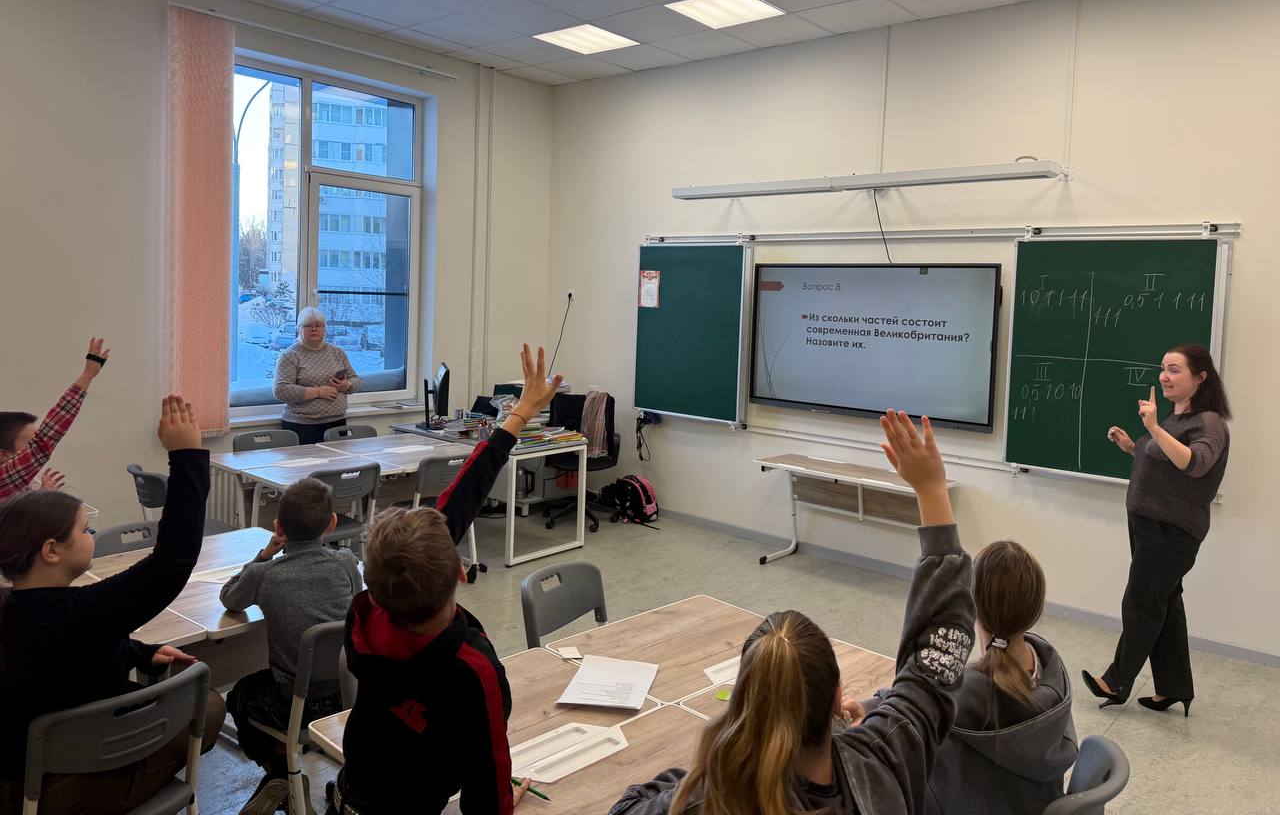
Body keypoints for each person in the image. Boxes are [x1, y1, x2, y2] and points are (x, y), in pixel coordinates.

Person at [610, 410, 975, 815]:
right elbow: (937, 657)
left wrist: (713, 769)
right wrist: (931, 489)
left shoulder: (717, 798)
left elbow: (627, 808)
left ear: (743, 708)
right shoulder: (884, 756)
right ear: (837, 700)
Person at [325, 344, 559, 815]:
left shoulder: (366, 613)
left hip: (350, 797)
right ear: (459, 570)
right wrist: (520, 415)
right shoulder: (471, 670)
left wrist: (516, 418)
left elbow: (456, 504)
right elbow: (487, 795)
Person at [0, 396, 227, 815]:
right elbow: (172, 561)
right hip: (66, 791)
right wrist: (186, 455)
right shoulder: (86, 611)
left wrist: (139, 652)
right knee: (208, 705)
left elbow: (64, 657)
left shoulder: (14, 608)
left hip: (18, 778)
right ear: (51, 550)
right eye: (84, 530)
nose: (92, 535)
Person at [1083, 344, 1231, 716]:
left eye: (1175, 369)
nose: (1164, 376)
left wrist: (1152, 429)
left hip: (1172, 531)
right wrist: (1133, 447)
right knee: (1165, 602)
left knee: (1142, 600)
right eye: (1163, 368)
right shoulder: (1177, 417)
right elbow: (1166, 462)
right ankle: (1174, 688)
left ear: (1201, 377)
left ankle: (1117, 681)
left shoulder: (1209, 422)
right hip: (1149, 524)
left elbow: (1195, 463)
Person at [221, 477, 363, 814]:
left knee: (240, 696)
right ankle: (285, 776)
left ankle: (280, 772)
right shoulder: (345, 563)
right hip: (349, 695)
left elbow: (230, 597)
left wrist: (264, 554)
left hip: (291, 704)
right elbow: (355, 601)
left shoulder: (265, 574)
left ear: (278, 526)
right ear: (332, 524)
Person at [905, 540, 1076, 814]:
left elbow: (907, 713)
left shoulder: (964, 694)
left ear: (972, 606)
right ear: (1035, 610)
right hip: (1036, 803)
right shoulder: (1052, 672)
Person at [0, 337, 109, 501]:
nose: (34, 446)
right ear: (4, 453)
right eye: (30, 443)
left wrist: (39, 496)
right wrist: (87, 375)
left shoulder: (10, 479)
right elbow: (46, 437)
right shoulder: (4, 477)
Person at [274, 307, 362, 444]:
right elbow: (281, 390)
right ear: (299, 329)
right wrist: (319, 392)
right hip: (302, 426)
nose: (314, 329)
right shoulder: (289, 356)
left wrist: (347, 385)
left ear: (324, 329)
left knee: (340, 459)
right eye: (308, 325)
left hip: (337, 423)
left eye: (318, 325)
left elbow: (356, 380)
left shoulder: (337, 352)